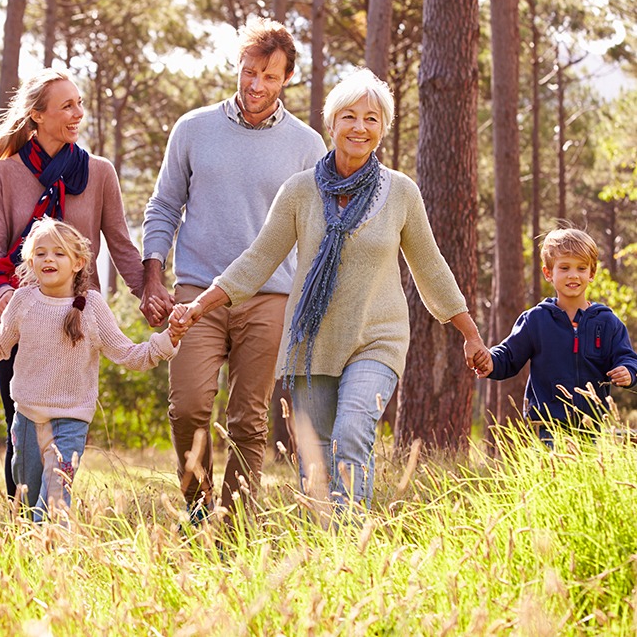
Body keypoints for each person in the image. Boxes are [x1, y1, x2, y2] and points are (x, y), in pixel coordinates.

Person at [174, 67, 488, 512]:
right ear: (332, 123)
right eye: (349, 116)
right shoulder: (300, 191)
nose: (360, 127)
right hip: (314, 341)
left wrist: (470, 333)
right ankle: (327, 549)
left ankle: (349, 543)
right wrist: (199, 304)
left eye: (372, 119)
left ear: (383, 128)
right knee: (316, 456)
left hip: (377, 338)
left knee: (352, 433)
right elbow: (258, 260)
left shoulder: (401, 192)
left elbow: (430, 267)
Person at [140, 16, 328, 521]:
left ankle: (235, 522)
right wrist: (152, 276)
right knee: (188, 406)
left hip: (270, 296)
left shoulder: (308, 146)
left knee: (248, 419)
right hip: (196, 293)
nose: (255, 85)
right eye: (249, 72)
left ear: (287, 78)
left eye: (269, 76)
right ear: (238, 67)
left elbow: (316, 231)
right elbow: (163, 206)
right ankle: (198, 509)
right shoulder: (193, 128)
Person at [0, 68, 145, 502]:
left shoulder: (100, 173)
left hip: (77, 317)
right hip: (23, 316)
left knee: (68, 423)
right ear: (37, 115)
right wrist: (6, 298)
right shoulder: (5, 174)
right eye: (67, 105)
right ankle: (21, 520)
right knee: (21, 424)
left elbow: (122, 245)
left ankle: (54, 513)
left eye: (80, 103)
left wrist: (149, 294)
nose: (78, 113)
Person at [0, 219, 183, 520]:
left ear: (78, 262)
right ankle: (33, 557)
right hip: (27, 421)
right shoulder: (22, 302)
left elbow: (129, 355)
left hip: (70, 422)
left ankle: (54, 557)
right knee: (29, 502)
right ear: (31, 262)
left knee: (55, 504)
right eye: (41, 253)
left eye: (59, 253)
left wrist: (169, 339)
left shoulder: (92, 307)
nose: (49, 259)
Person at [479, 228, 637, 445]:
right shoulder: (536, 320)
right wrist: (490, 362)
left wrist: (628, 372)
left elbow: (626, 357)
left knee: (587, 477)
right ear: (548, 273)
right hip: (547, 426)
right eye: (564, 268)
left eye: (581, 268)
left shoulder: (608, 323)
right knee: (553, 476)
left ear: (592, 273)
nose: (573, 275)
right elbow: (508, 355)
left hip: (592, 426)